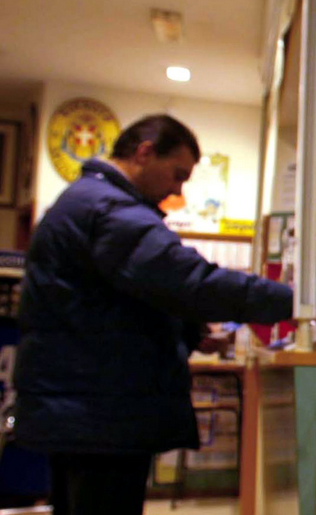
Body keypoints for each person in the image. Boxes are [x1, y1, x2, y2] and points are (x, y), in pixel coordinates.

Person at [13, 115, 293, 515]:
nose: (178, 190)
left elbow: (118, 299)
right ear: (144, 152)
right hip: (101, 408)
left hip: (83, 402)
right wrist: (296, 302)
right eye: (177, 175)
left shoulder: (87, 200)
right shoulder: (109, 209)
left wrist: (189, 332)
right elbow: (190, 282)